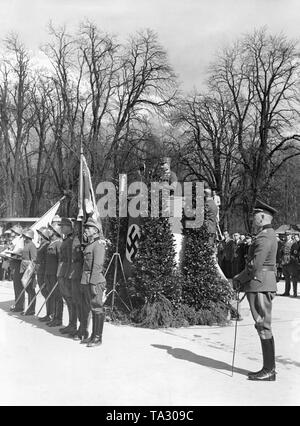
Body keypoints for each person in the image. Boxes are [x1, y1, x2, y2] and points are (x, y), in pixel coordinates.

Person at [233, 199, 278, 381]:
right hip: (260, 283)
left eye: (255, 216)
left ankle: (269, 370)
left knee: (263, 325)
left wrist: (239, 278)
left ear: (262, 216)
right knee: (262, 326)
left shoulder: (265, 236)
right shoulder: (265, 235)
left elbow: (255, 265)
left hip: (260, 284)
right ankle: (269, 368)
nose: (253, 219)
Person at [80, 218, 106, 347]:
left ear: (95, 231)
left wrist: (93, 283)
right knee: (92, 307)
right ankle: (92, 336)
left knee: (97, 308)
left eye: (88, 228)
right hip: (87, 280)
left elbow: (97, 265)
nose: (86, 229)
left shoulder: (99, 245)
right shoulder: (90, 244)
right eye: (86, 227)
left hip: (95, 281)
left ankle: (97, 338)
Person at [57, 217, 76, 335]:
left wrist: (68, 274)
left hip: (66, 273)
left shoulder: (71, 240)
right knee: (67, 300)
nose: (61, 228)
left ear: (70, 227)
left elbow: (70, 259)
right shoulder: (66, 240)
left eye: (63, 226)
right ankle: (70, 324)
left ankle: (73, 325)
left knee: (71, 300)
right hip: (62, 272)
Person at [44, 223, 63, 327]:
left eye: (50, 229)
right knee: (52, 295)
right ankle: (52, 316)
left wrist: (58, 274)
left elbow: (60, 260)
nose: (48, 231)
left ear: (55, 231)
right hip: (49, 273)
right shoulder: (51, 243)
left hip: (55, 274)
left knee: (57, 297)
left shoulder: (59, 243)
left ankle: (58, 318)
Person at [68, 220, 84, 340]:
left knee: (81, 303)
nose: (76, 226)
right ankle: (76, 326)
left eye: (79, 224)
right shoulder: (76, 238)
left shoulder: (84, 239)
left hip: (80, 274)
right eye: (76, 224)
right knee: (75, 301)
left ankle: (83, 329)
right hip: (74, 273)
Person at [20, 229, 37, 316]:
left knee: (31, 290)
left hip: (29, 270)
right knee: (27, 289)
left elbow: (34, 259)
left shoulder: (32, 246)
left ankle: (31, 309)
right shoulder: (26, 245)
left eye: (25, 236)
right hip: (24, 269)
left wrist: (31, 271)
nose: (24, 238)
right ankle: (29, 308)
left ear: (28, 237)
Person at [36, 227, 51, 322]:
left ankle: (50, 314)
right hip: (40, 270)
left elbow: (47, 260)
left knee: (47, 293)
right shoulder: (42, 244)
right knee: (44, 292)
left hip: (44, 270)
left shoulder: (47, 244)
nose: (39, 235)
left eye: (41, 234)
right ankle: (48, 313)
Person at [9, 225, 24, 312]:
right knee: (16, 286)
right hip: (14, 263)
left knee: (18, 286)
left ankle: (19, 305)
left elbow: (20, 251)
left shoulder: (20, 240)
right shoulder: (16, 239)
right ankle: (17, 304)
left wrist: (11, 253)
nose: (12, 233)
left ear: (17, 232)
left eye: (13, 232)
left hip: (18, 264)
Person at [203, 182, 218, 247]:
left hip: (208, 228)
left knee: (207, 249)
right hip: (212, 228)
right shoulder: (213, 204)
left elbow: (201, 214)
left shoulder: (208, 204)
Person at [280, 232, 294, 296]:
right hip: (284, 260)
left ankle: (295, 292)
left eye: (288, 235)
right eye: (286, 235)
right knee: (286, 277)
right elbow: (281, 251)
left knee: (292, 277)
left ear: (291, 235)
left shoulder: (293, 243)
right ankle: (286, 291)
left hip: (290, 260)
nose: (287, 236)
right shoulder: (284, 242)